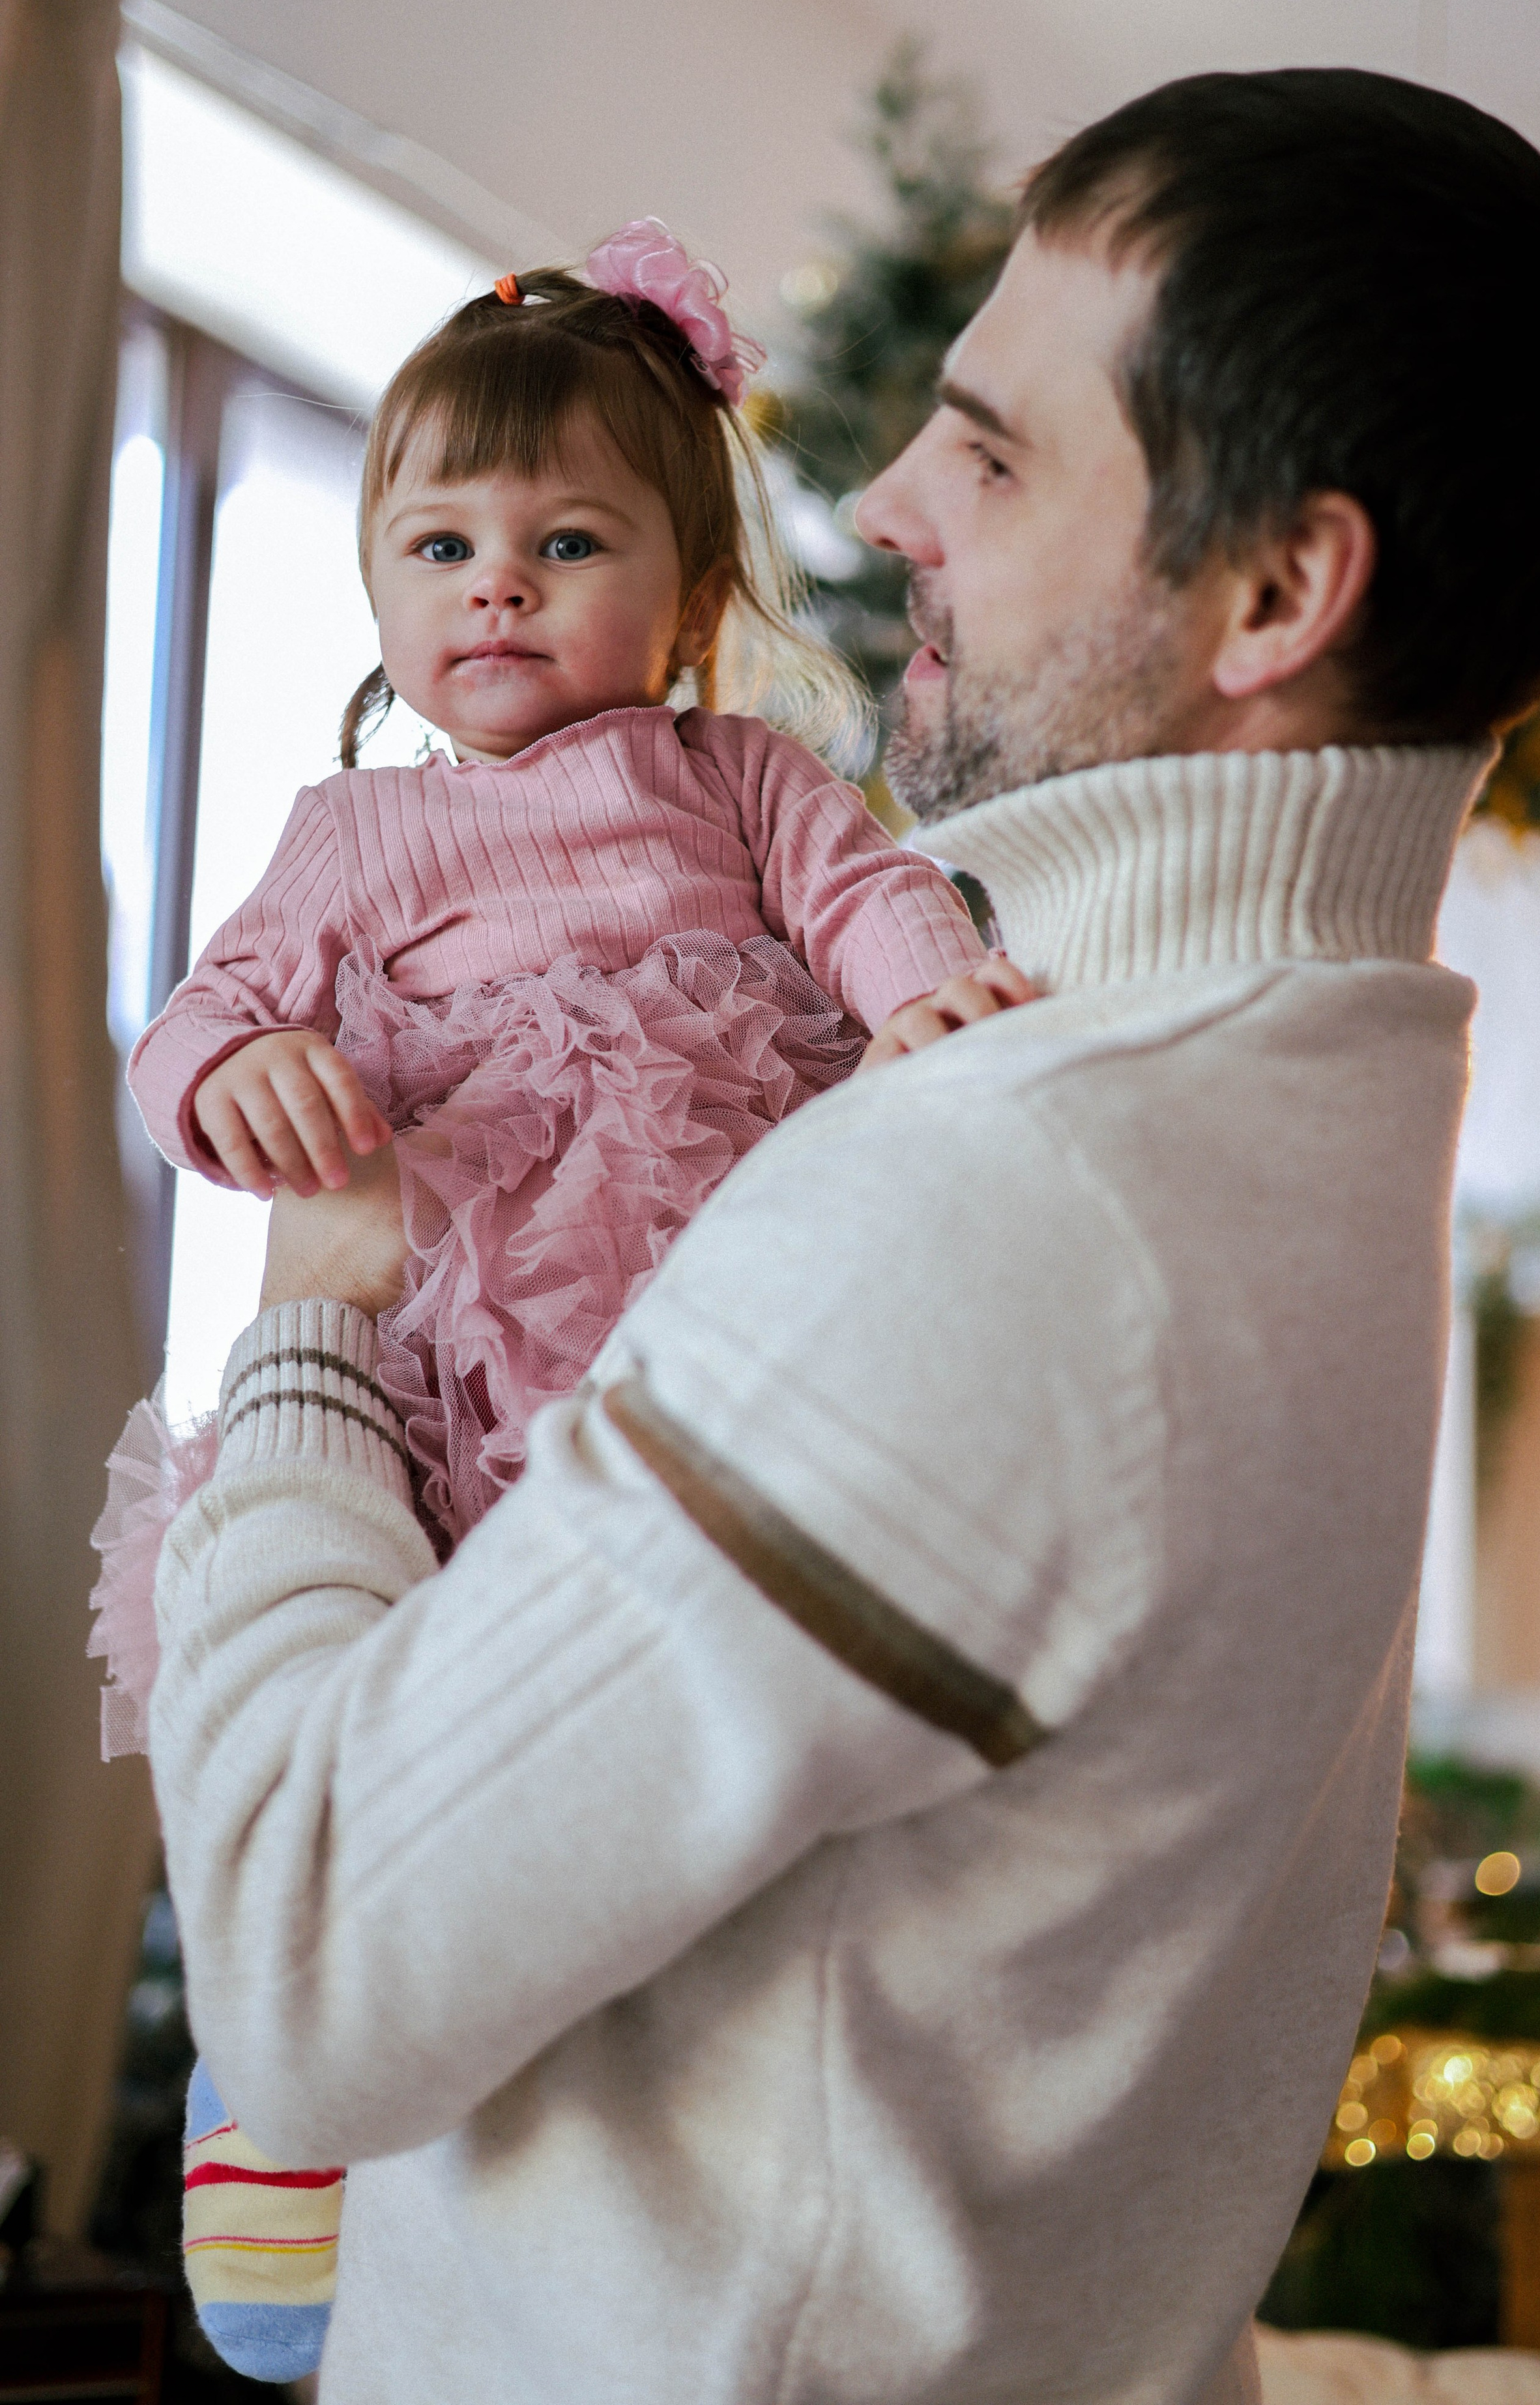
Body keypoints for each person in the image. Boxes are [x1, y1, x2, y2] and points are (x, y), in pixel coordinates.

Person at [145, 71, 1540, 2405]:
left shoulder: (1002, 1190)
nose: (876, 507)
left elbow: (311, 1963)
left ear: (1277, 593)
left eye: (993, 451)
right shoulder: (1332, 1095)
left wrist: (319, 1328)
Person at [94, 221, 1023, 2379]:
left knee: (629, 1738)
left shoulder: (750, 784)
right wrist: (247, 1077)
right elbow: (188, 1030)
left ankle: (612, 2099)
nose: (492, 583)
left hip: (697, 1343)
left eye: (564, 536)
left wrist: (933, 994)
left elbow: (876, 901)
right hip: (451, 1341)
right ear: (385, 595)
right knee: (370, 1706)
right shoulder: (350, 836)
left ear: (687, 596)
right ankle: (276, 2105)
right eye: (439, 542)